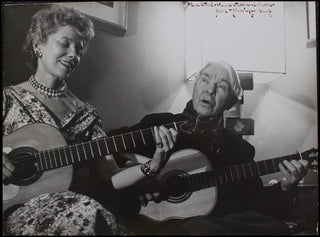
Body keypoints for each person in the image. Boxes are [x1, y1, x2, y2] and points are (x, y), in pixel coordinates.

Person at [2, 5, 177, 235]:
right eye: (64, 43)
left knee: (89, 214)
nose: (74, 54)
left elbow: (111, 176)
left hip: (70, 207)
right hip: (15, 210)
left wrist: (152, 166)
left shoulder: (86, 114)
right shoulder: (7, 98)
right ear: (39, 45)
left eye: (79, 49)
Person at [107, 61, 310, 235]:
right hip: (152, 218)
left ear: (230, 101)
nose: (210, 90)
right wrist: (141, 175)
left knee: (271, 226)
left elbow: (256, 202)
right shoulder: (159, 123)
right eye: (204, 79)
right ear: (195, 85)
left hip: (211, 225)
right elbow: (109, 146)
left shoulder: (239, 148)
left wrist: (286, 185)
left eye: (221, 86)